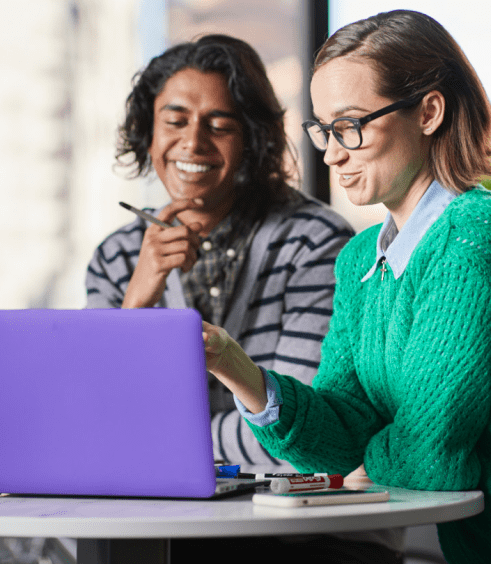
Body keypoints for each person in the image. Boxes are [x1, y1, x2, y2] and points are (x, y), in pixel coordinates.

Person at [200, 12, 491, 564]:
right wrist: (235, 366)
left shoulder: (474, 235)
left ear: (428, 111)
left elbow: (432, 454)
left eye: (351, 125)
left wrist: (360, 472)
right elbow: (341, 433)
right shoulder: (362, 259)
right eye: (324, 129)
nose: (332, 153)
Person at [85, 34, 405, 563]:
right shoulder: (118, 258)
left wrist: (152, 449)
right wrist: (136, 303)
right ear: (147, 133)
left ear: (252, 139)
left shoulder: (315, 243)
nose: (193, 142)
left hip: (314, 533)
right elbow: (93, 427)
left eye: (220, 124)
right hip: (178, 528)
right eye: (175, 120)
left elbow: (293, 437)